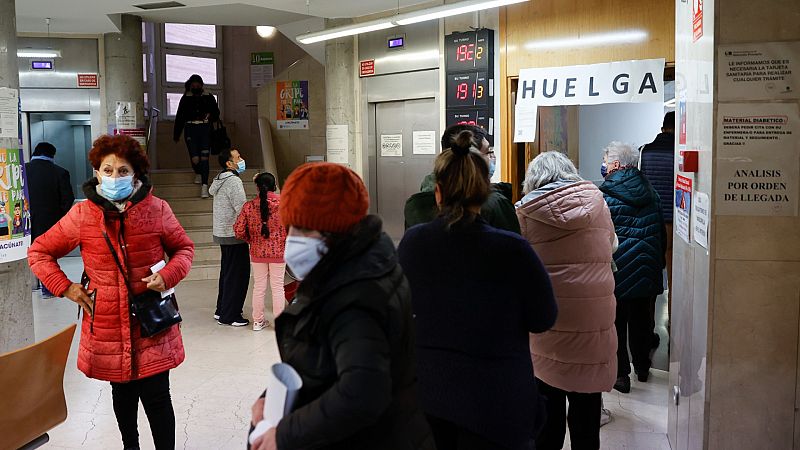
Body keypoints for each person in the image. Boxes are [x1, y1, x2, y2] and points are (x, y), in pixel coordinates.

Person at [249, 162, 434, 450]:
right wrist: (271, 397)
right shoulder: (349, 268)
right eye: (290, 227)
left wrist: (285, 434)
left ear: (335, 231)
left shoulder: (357, 295)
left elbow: (361, 393)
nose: (292, 240)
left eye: (304, 229)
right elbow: (319, 362)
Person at [28, 134, 194, 450]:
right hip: (107, 323)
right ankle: (130, 446)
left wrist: (168, 274)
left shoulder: (157, 209)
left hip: (152, 321)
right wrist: (65, 287)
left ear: (136, 173)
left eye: (122, 171)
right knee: (123, 393)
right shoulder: (82, 215)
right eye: (107, 170)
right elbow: (39, 252)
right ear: (97, 172)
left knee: (158, 395)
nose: (114, 177)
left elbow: (184, 248)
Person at [398, 130, 558, 450]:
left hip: (431, 395)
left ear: (438, 193)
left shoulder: (413, 243)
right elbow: (544, 317)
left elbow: (402, 311)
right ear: (485, 191)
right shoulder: (513, 249)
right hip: (498, 399)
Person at [516, 151, 618, 450]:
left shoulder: (525, 213)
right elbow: (612, 245)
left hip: (550, 322)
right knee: (587, 416)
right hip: (595, 321)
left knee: (548, 417)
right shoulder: (598, 203)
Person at [599, 141, 666, 393]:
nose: (604, 166)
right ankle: (643, 367)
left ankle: (621, 376)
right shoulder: (652, 192)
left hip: (618, 268)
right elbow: (661, 233)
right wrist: (658, 263)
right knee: (642, 320)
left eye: (606, 161)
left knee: (617, 322)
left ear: (616, 164)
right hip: (647, 265)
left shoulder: (605, 195)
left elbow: (602, 235)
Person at [404, 124, 520, 233]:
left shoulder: (415, 207)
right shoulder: (495, 204)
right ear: (471, 157)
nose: (491, 158)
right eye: (488, 152)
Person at [234, 172, 287, 331]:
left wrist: (251, 240)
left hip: (257, 252)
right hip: (279, 252)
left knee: (259, 287)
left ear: (257, 187)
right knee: (278, 288)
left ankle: (257, 321)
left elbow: (238, 230)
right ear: (274, 186)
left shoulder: (249, 206)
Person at [640, 111, 675, 330]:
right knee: (674, 277)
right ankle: (674, 321)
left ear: (662, 129)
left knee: (648, 275)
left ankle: (648, 326)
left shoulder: (644, 151)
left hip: (650, 221)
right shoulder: (679, 152)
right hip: (675, 223)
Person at [25, 142, 75, 297]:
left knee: (29, 252)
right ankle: (47, 288)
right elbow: (68, 199)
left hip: (24, 221)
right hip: (50, 223)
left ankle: (30, 285)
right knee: (46, 254)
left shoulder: (22, 170)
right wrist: (59, 217)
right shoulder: (60, 172)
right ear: (52, 155)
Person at [209, 147, 250, 327]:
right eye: (238, 157)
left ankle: (222, 309)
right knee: (238, 275)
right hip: (234, 234)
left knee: (227, 273)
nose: (241, 160)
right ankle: (230, 315)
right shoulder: (233, 181)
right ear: (229, 163)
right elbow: (242, 209)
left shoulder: (219, 179)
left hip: (222, 233)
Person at [173, 74, 220, 199]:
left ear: (201, 85)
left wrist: (210, 115)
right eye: (193, 85)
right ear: (190, 86)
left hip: (205, 129)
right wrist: (176, 134)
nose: (196, 87)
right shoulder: (186, 98)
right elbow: (180, 117)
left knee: (204, 158)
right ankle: (198, 172)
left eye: (198, 85)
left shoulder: (209, 97)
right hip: (190, 129)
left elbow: (216, 113)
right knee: (195, 158)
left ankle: (205, 186)